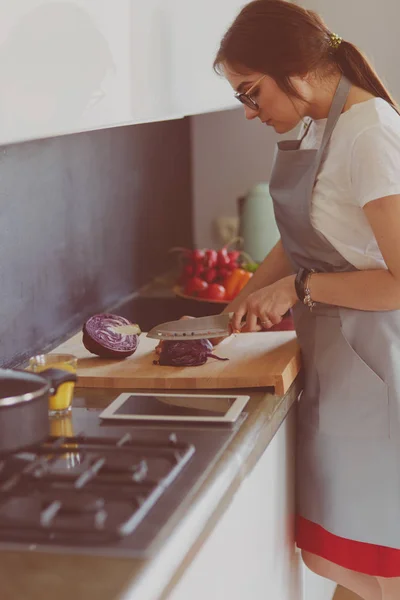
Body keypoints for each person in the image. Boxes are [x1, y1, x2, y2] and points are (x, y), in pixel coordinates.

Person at [214, 1, 400, 598]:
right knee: (342, 562)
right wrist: (235, 309)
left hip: (378, 372)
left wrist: (298, 289)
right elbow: (299, 241)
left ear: (293, 70)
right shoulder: (319, 125)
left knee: (377, 564)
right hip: (340, 367)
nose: (249, 113)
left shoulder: (368, 134)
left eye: (251, 92)